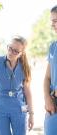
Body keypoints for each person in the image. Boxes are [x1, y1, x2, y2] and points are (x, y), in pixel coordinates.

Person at [0, 35, 34, 135]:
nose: (11, 52)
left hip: (19, 109)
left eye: (16, 51)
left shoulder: (25, 67)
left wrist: (31, 114)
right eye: (10, 48)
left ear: (21, 53)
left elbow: (27, 91)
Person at [44, 5, 57, 135]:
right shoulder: (53, 47)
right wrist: (47, 98)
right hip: (53, 105)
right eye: (52, 21)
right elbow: (47, 77)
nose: (52, 25)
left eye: (55, 21)